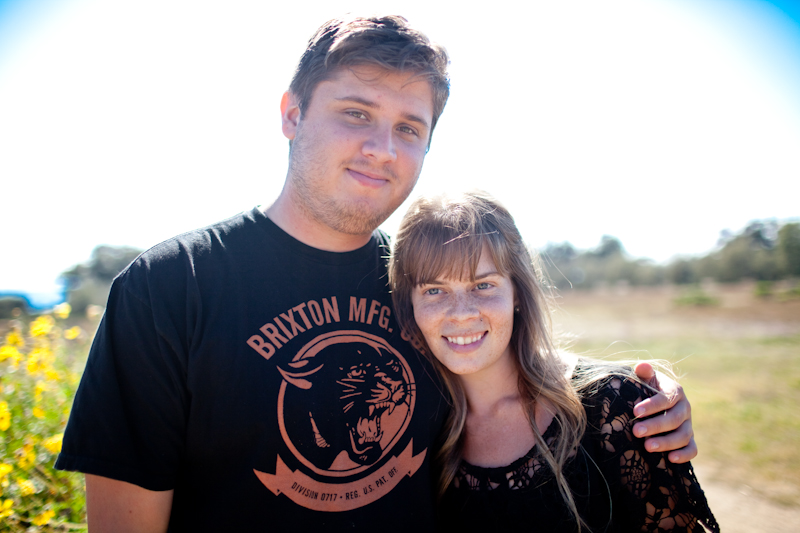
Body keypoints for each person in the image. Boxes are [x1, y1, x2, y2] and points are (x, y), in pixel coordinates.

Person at [55, 15, 697, 532]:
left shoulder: (415, 281)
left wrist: (635, 396)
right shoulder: (169, 288)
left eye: (409, 128)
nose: (382, 149)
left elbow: (499, 355)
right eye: (356, 113)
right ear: (291, 114)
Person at [388, 191, 719, 532]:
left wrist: (634, 387)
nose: (461, 313)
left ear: (518, 293)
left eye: (483, 285)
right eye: (434, 290)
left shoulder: (614, 407)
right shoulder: (413, 429)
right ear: (410, 305)